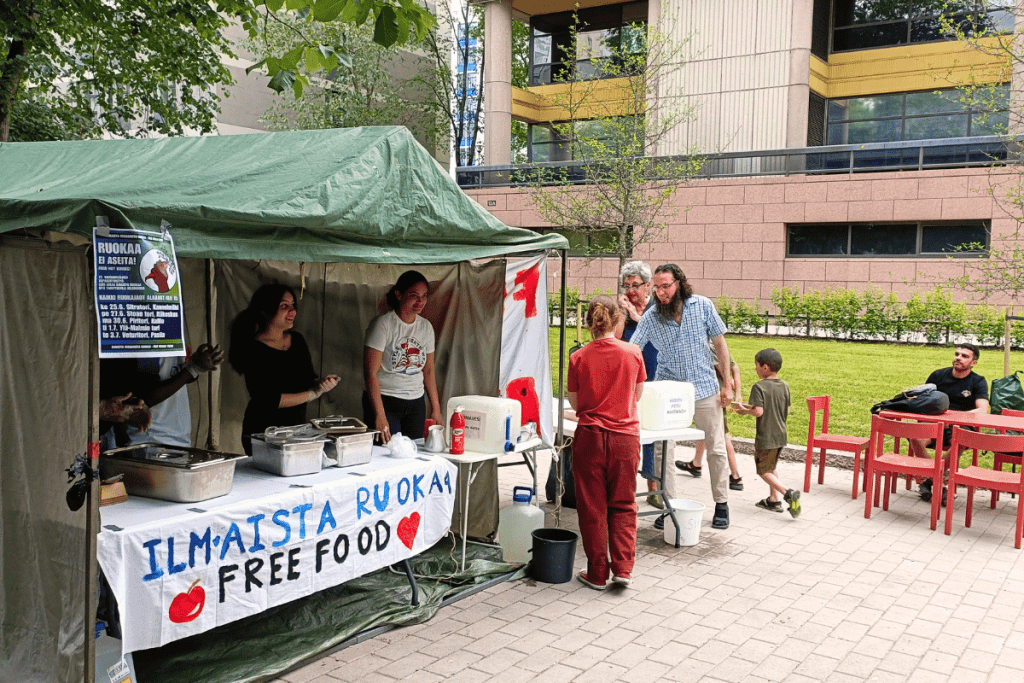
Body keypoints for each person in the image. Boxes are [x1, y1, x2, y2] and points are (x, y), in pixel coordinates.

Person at [628, 263, 735, 530]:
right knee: (664, 449)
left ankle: (722, 504)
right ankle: (669, 505)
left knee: (716, 446)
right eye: (657, 287)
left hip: (704, 388)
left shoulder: (702, 306)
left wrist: (727, 385)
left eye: (666, 286)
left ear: (679, 283)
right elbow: (632, 350)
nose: (661, 292)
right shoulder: (652, 317)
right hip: (669, 393)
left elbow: (720, 345)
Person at [568, 296, 646, 590]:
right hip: (625, 437)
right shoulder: (633, 353)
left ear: (588, 322)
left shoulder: (578, 357)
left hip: (590, 436)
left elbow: (575, 403)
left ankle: (597, 572)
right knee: (624, 503)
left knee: (593, 506)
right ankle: (623, 568)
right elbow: (637, 395)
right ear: (618, 320)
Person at [230, 284, 339, 455]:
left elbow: (309, 378)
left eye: (293, 305)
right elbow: (268, 399)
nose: (292, 311)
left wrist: (321, 383)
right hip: (263, 432)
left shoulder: (297, 340)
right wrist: (312, 394)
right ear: (265, 311)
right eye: (284, 306)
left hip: (295, 430)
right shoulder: (253, 349)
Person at [363, 270, 443, 443]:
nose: (420, 302)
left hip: (416, 402)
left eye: (424, 296)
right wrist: (380, 415)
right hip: (386, 400)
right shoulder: (383, 325)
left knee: (414, 451)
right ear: (399, 295)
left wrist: (436, 408)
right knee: (387, 452)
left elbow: (428, 371)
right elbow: (370, 374)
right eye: (414, 296)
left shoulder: (426, 327)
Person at [100, 342, 224, 449]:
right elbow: (146, 396)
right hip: (151, 438)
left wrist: (193, 366)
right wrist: (192, 370)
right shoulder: (150, 334)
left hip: (175, 436)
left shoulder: (173, 329)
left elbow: (173, 374)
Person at [909, 343, 989, 503]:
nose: (958, 358)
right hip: (934, 422)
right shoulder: (938, 376)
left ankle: (930, 480)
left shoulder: (978, 381)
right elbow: (922, 401)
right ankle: (939, 481)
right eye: (957, 354)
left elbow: (982, 410)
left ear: (973, 363)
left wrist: (951, 420)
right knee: (915, 438)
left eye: (964, 356)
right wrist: (938, 418)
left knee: (960, 441)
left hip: (960, 426)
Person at [733, 349, 800, 518]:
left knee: (763, 471)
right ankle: (773, 500)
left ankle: (788, 493)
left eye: (756, 365)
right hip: (780, 434)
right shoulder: (784, 385)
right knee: (771, 468)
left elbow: (759, 412)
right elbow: (786, 409)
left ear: (765, 367)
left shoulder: (759, 387)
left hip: (767, 436)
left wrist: (744, 411)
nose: (755, 368)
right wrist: (749, 407)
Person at [617, 260, 661, 508]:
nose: (631, 291)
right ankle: (626, 485)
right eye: (626, 286)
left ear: (647, 285)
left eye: (635, 285)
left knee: (652, 431)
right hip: (628, 379)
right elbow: (614, 339)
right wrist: (624, 313)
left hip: (654, 374)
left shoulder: (658, 308)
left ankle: (653, 487)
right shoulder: (623, 309)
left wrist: (635, 315)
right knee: (629, 431)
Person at [677, 341, 744, 491]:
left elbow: (723, 369)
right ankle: (696, 464)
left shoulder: (708, 346)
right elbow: (735, 368)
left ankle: (736, 476)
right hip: (711, 395)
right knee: (704, 427)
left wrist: (727, 386)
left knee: (721, 434)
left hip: (713, 396)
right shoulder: (717, 344)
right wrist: (737, 392)